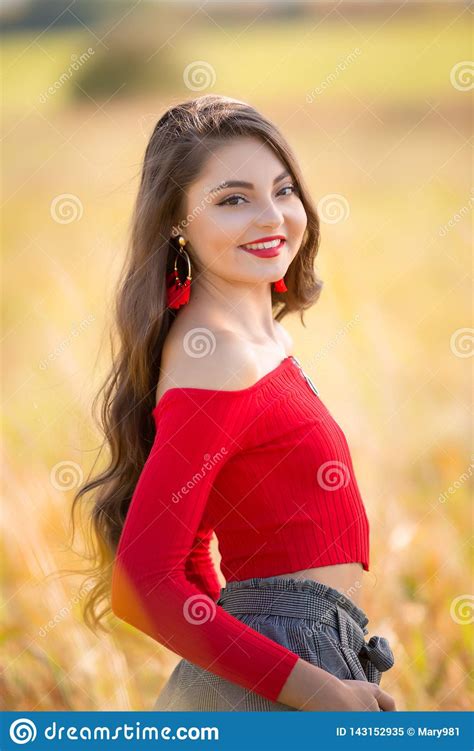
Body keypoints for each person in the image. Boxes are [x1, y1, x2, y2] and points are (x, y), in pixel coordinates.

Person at [76, 94, 396, 712]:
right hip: (300, 668)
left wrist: (262, 655)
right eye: (232, 199)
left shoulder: (251, 336)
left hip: (301, 651)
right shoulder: (216, 356)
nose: (271, 217)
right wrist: (312, 685)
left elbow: (192, 545)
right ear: (176, 221)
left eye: (283, 190)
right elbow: (143, 582)